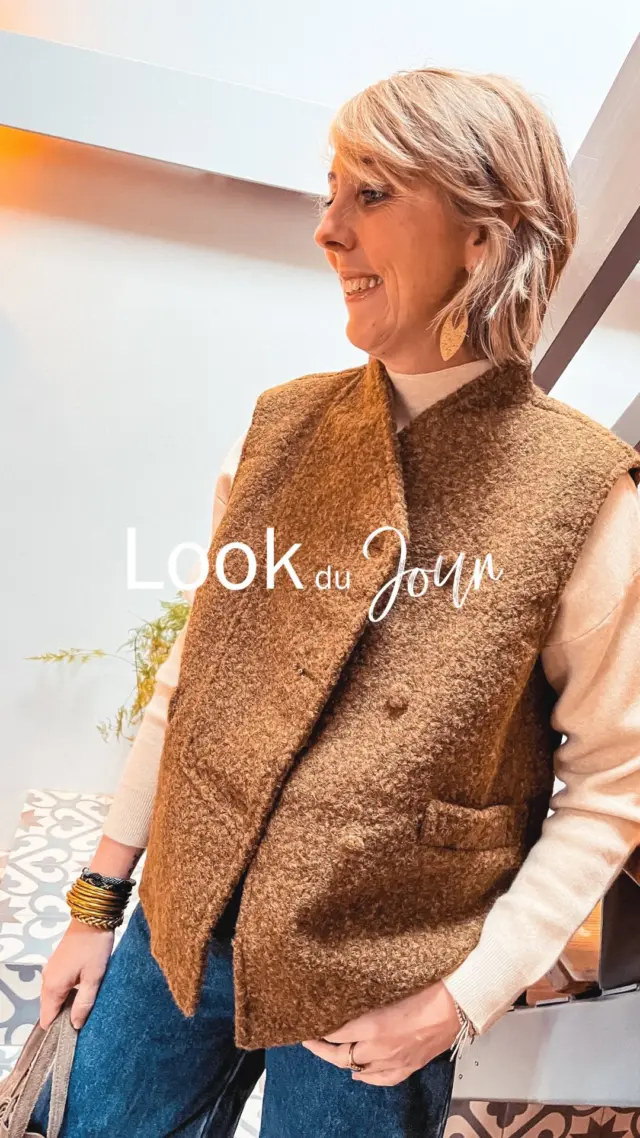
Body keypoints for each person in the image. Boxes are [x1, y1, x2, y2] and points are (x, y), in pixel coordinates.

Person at [29, 67, 640, 1137]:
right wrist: (96, 907)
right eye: (330, 194)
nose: (326, 230)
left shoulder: (586, 493)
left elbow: (610, 786)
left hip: (377, 979)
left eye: (371, 194)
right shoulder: (279, 431)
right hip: (180, 933)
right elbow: (187, 687)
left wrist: (460, 999)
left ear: (483, 236)